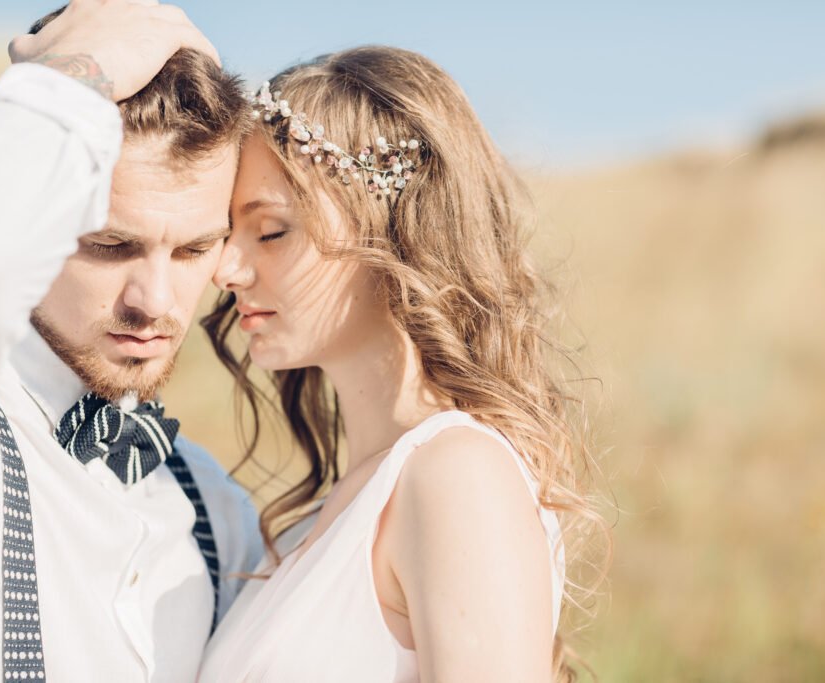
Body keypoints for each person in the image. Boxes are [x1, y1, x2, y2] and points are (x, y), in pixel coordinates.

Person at [199, 46, 606, 682]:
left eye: (271, 231)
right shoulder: (342, 504)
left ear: (389, 231)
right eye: (228, 233)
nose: (225, 270)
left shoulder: (457, 477)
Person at [0, 2, 262, 680]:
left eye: (193, 250)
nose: (153, 302)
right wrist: (72, 74)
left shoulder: (217, 508)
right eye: (109, 245)